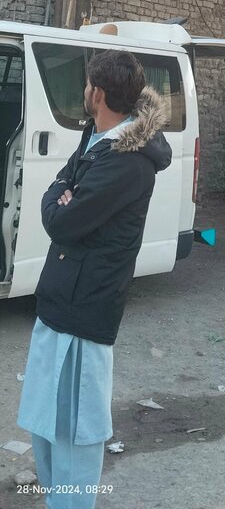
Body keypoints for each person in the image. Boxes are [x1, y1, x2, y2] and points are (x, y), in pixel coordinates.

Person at [17, 49, 172, 508]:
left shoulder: (127, 160)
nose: (84, 92)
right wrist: (60, 195)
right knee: (46, 422)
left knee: (75, 430)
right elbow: (59, 188)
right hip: (61, 299)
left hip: (86, 310)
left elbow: (61, 222)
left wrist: (61, 199)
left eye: (87, 85)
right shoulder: (99, 136)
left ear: (97, 94)